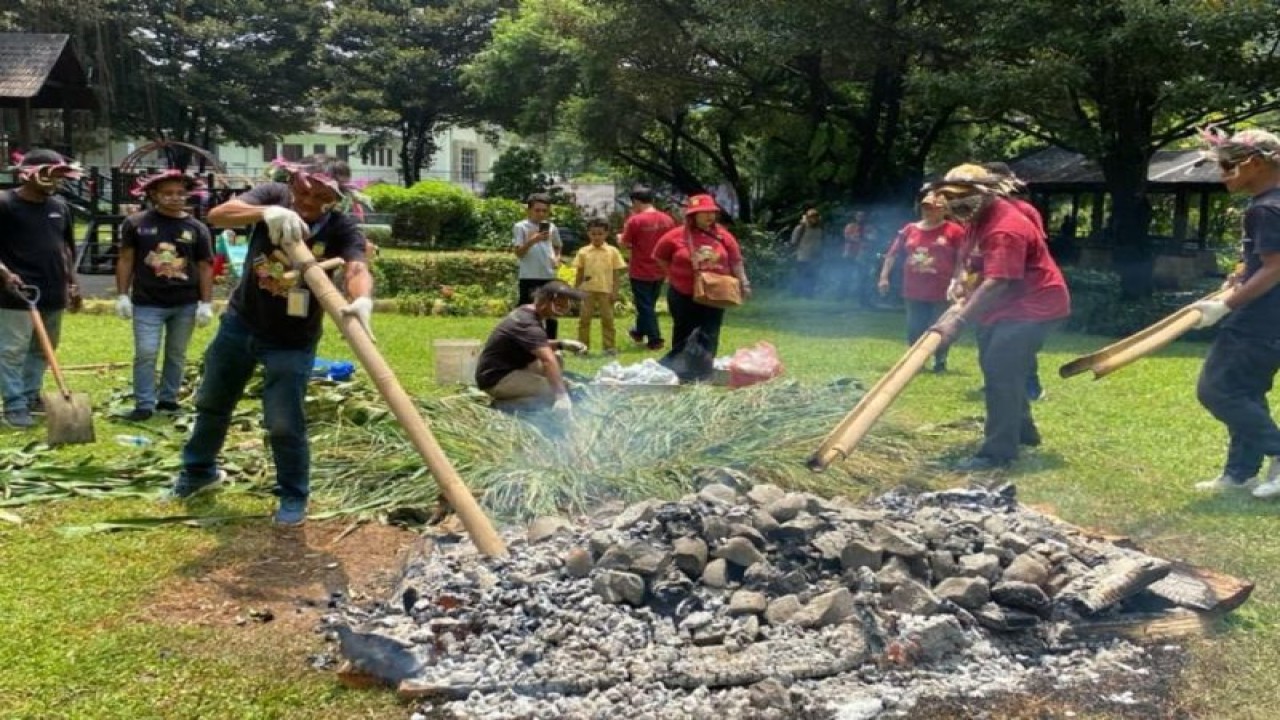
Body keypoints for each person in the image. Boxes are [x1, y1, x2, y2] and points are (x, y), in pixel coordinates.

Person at [164, 155, 374, 527]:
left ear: (336, 199)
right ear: (293, 182)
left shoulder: (341, 227)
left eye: (321, 198)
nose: (308, 204)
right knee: (213, 401)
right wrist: (265, 213)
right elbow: (218, 214)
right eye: (304, 193)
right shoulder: (273, 195)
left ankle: (293, 495)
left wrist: (361, 299)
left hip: (292, 340)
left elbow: (357, 266)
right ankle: (198, 473)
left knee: (283, 420)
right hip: (241, 323)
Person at [929, 164, 1070, 471]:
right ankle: (1023, 433)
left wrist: (959, 321)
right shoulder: (976, 220)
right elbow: (975, 263)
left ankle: (997, 453)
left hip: (1033, 305)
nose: (956, 204)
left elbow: (999, 281)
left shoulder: (1005, 227)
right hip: (1005, 307)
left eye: (963, 196)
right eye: (950, 197)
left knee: (1001, 371)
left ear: (986, 193)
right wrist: (960, 285)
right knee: (997, 366)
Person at [1188, 128, 1280, 497]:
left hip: (1260, 320)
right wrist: (1244, 270)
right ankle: (1240, 473)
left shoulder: (1266, 208)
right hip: (1272, 320)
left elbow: (1276, 268)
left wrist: (1225, 306)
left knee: (1218, 390)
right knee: (1246, 391)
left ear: (1255, 163)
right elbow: (1264, 261)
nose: (1223, 173)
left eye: (1229, 166)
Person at [115, 170, 215, 421]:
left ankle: (168, 399)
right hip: (147, 302)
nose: (175, 198)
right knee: (146, 352)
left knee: (176, 353)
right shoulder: (136, 224)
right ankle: (144, 404)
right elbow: (126, 259)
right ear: (154, 195)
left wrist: (206, 302)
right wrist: (121, 295)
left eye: (181, 193)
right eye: (168, 193)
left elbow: (205, 266)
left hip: (185, 303)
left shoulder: (196, 228)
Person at [0, 149, 83, 428]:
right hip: (14, 293)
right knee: (12, 350)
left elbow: (66, 249)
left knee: (43, 349)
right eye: (50, 174)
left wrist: (72, 283)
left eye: (60, 176)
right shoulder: (4, 203)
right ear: (28, 174)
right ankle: (14, 405)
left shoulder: (60, 206)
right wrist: (5, 273)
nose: (56, 181)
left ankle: (29, 394)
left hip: (52, 291)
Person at [652, 194, 752, 382]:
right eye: (703, 213)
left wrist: (744, 282)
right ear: (693, 215)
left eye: (712, 212)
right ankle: (682, 371)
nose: (709, 216)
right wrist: (673, 275)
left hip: (715, 292)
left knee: (710, 331)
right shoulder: (675, 235)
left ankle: (704, 372)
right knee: (684, 332)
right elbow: (659, 256)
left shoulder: (724, 235)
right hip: (683, 293)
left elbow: (736, 261)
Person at [878, 193, 965, 373]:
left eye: (933, 207)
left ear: (944, 210)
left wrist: (957, 281)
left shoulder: (955, 231)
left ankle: (940, 361)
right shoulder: (909, 229)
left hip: (942, 288)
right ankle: (915, 362)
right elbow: (892, 254)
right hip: (913, 287)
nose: (928, 211)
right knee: (914, 326)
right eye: (925, 207)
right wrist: (884, 276)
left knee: (940, 326)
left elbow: (962, 259)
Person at [475, 280, 587, 414]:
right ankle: (505, 405)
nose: (563, 310)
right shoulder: (527, 323)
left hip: (513, 367)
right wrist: (561, 395)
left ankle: (526, 393)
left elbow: (536, 344)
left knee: (557, 360)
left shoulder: (529, 311)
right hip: (497, 378)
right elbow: (547, 360)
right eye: (559, 305)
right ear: (545, 302)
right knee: (554, 391)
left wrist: (561, 344)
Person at [619, 185, 676, 350]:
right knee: (648, 304)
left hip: (640, 269)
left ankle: (655, 339)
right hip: (660, 269)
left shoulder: (635, 220)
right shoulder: (668, 219)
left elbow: (624, 244)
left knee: (644, 306)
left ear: (636, 201)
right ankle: (638, 331)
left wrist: (619, 238)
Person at [573, 218, 627, 355]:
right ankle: (582, 347)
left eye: (600, 234)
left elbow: (616, 274)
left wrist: (615, 291)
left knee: (608, 320)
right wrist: (574, 290)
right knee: (584, 320)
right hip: (587, 291)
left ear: (606, 234)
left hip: (605, 291)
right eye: (593, 233)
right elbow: (579, 272)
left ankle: (609, 348)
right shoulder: (583, 252)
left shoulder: (612, 251)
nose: (597, 237)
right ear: (589, 234)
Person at [513, 193, 563, 340]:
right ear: (529, 210)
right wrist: (533, 240)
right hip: (529, 276)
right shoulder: (520, 227)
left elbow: (558, 245)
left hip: (548, 276)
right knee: (526, 313)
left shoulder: (552, 227)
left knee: (551, 313)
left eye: (544, 210)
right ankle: (525, 343)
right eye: (537, 210)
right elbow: (519, 253)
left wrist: (557, 258)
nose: (541, 214)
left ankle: (551, 345)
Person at [790, 208, 824, 297]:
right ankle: (797, 293)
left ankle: (809, 294)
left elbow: (820, 242)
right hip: (802, 256)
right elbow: (793, 242)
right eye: (812, 217)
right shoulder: (801, 228)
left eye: (816, 217)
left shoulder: (819, 229)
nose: (814, 219)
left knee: (812, 276)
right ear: (808, 218)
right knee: (802, 276)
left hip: (815, 257)